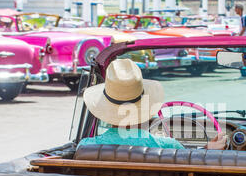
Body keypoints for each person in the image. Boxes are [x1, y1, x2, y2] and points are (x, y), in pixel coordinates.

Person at [78, 59, 227, 150]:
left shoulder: (85, 147)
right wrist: (207, 148)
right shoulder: (168, 146)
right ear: (143, 109)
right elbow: (191, 160)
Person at [234, 3, 246, 79]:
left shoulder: (243, 17)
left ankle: (244, 73)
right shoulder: (242, 17)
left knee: (240, 56)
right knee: (244, 55)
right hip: (244, 38)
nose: (235, 10)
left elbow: (244, 29)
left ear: (239, 9)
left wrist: (238, 36)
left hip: (243, 39)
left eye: (236, 8)